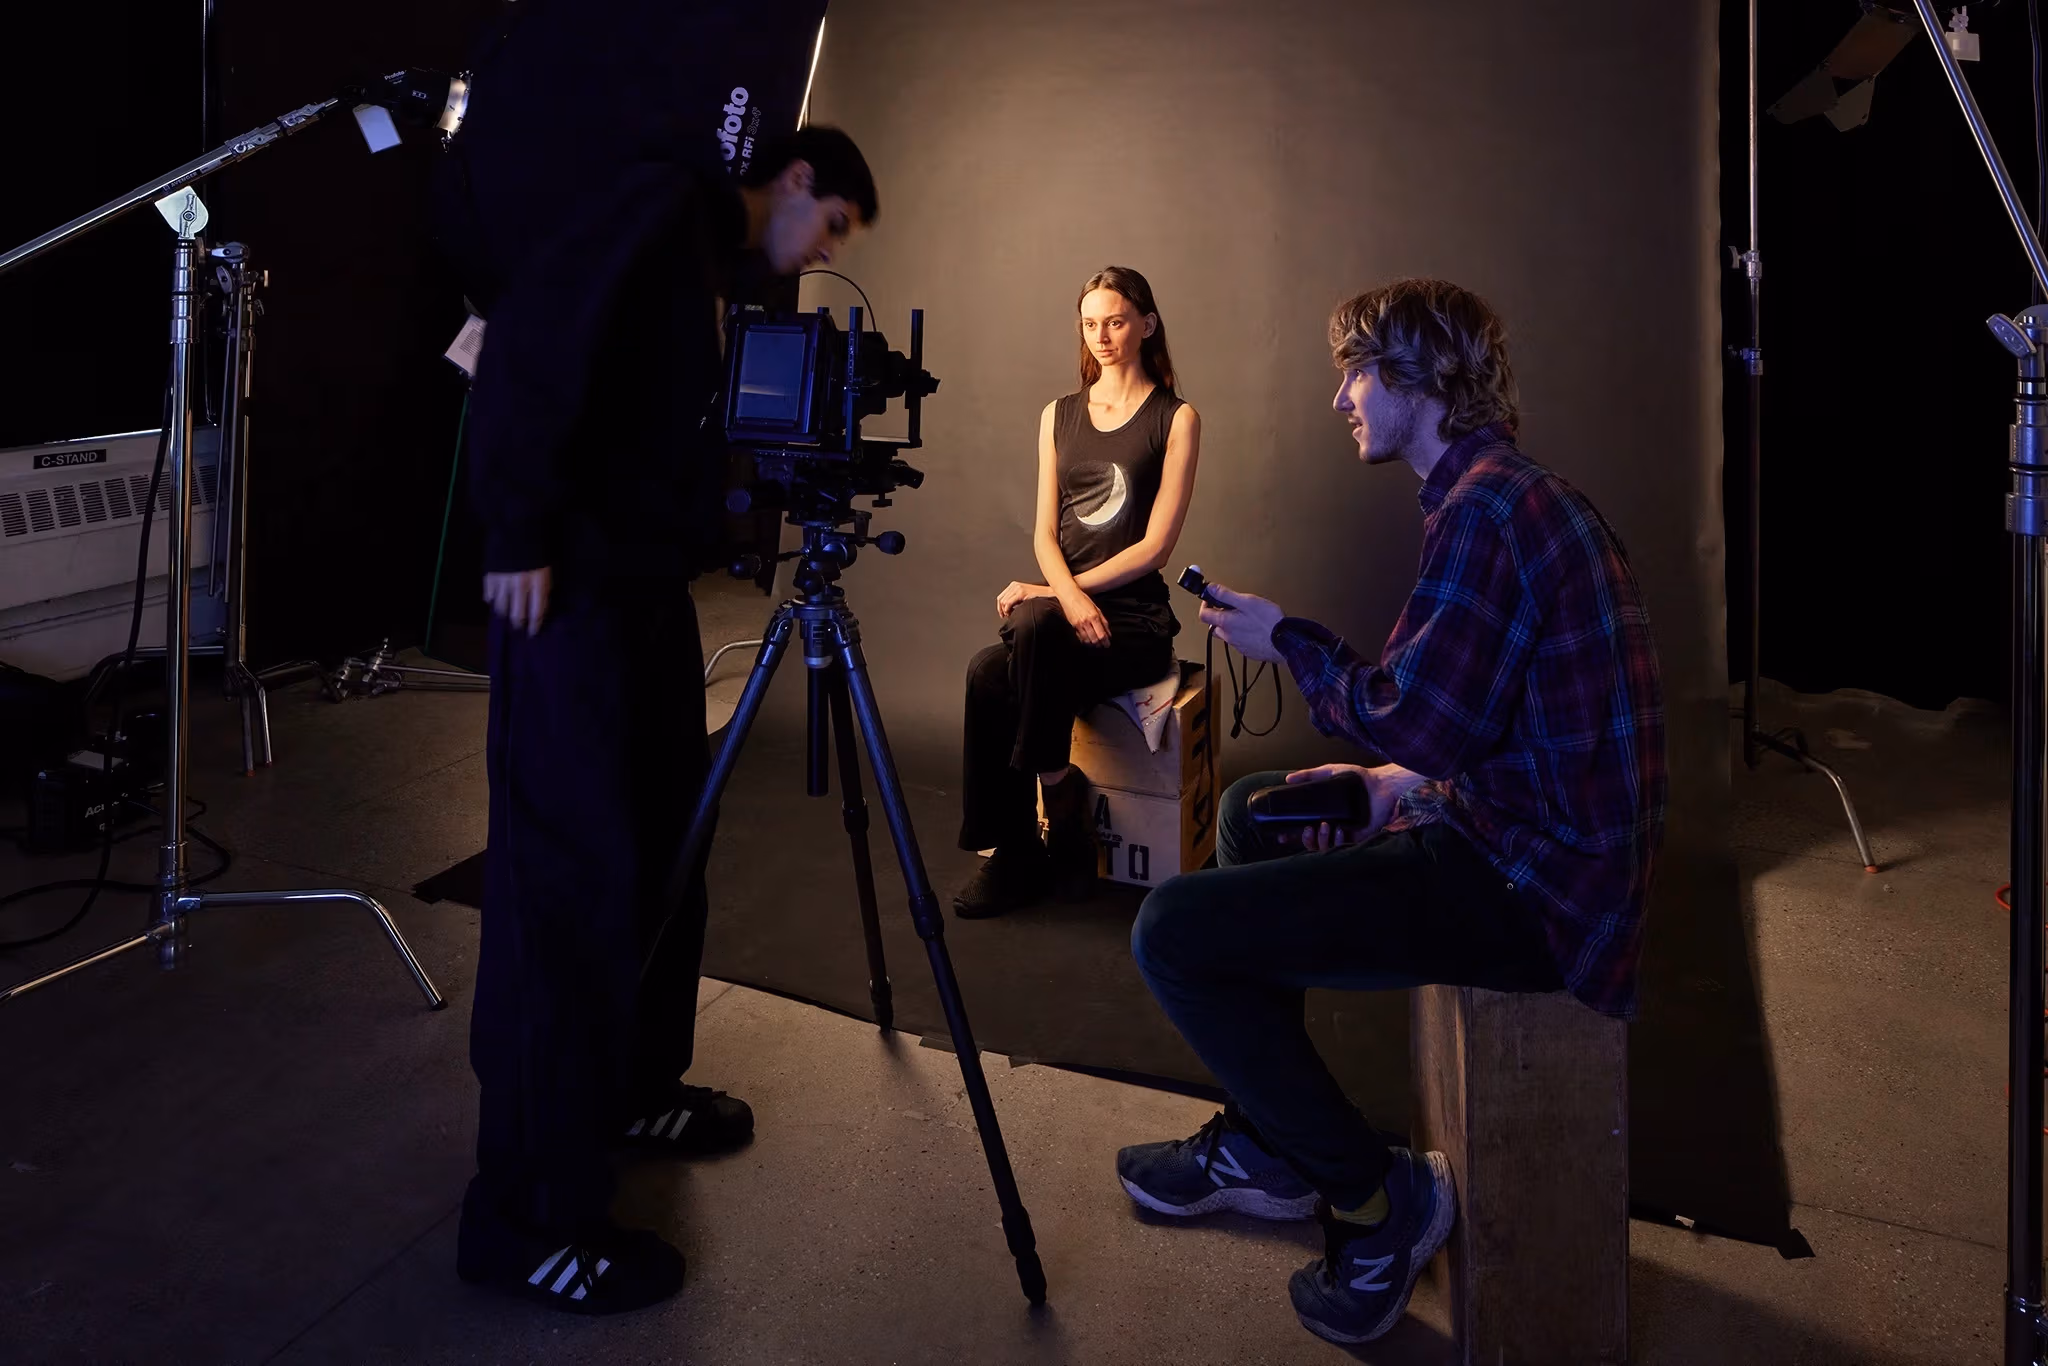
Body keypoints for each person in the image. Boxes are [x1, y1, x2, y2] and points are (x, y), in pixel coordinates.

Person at [1112, 279, 1665, 1347]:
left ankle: (1374, 1204)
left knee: (1171, 932)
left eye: (1354, 372)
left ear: (1416, 379)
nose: (1339, 400)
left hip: (1534, 891)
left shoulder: (1489, 515)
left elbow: (1416, 719)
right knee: (1250, 812)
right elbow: (1484, 730)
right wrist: (1385, 790)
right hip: (1513, 826)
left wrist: (1289, 643)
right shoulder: (1496, 496)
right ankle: (1275, 1144)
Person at [449, 122, 878, 1313]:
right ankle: (527, 1220)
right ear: (797, 182)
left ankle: (634, 1086)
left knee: (661, 856)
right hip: (569, 598)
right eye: (831, 226)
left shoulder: (693, 253)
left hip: (637, 594)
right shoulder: (651, 202)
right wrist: (519, 526)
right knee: (569, 887)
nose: (820, 251)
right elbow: (531, 334)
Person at [953, 266, 1203, 918]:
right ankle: (1024, 840)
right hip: (1063, 613)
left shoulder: (1176, 419)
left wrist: (1059, 594)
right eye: (1090, 323)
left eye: (1116, 320)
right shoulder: (1058, 415)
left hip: (1134, 624)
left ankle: (1055, 824)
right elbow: (1042, 532)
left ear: (1146, 323)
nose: (1102, 335)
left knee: (1028, 631)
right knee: (987, 672)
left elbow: (1156, 548)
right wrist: (1065, 597)